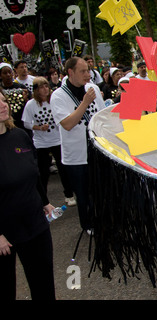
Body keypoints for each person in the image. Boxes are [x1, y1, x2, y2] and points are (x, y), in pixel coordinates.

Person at [0, 90, 56, 300]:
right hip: (4, 233)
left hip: (34, 223)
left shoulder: (20, 136)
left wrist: (46, 203)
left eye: (4, 100)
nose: (4, 105)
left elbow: (34, 174)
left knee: (43, 285)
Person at [50, 57, 106, 234]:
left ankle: (102, 220)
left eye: (88, 70)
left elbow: (102, 116)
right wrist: (84, 103)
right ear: (70, 72)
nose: (87, 74)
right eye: (82, 71)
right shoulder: (58, 95)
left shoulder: (93, 88)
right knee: (83, 194)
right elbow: (67, 123)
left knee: (99, 190)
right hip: (76, 156)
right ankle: (88, 224)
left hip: (97, 150)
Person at [21, 76, 76, 206]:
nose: (45, 89)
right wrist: (39, 128)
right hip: (41, 143)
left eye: (46, 86)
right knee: (43, 172)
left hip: (57, 140)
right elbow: (27, 124)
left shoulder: (54, 101)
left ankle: (69, 194)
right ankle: (43, 199)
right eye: (41, 87)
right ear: (36, 90)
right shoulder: (30, 105)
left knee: (63, 169)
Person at [0, 63, 30, 135]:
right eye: (5, 73)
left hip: (22, 122)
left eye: (10, 72)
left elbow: (29, 105)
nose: (8, 75)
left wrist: (26, 99)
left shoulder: (21, 87)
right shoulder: (1, 90)